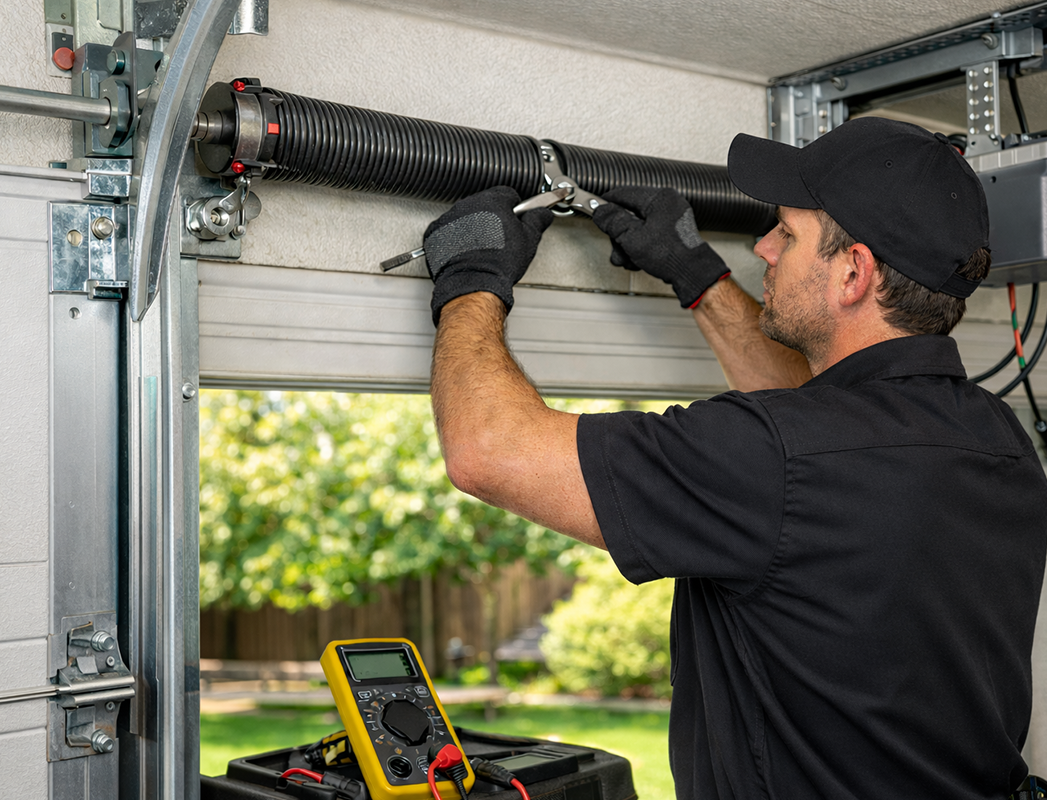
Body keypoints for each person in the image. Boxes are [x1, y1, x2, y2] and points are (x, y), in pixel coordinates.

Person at [421, 117, 1047, 799]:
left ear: (853, 272)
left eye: (787, 233)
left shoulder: (775, 455)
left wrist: (471, 279)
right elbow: (816, 427)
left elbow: (488, 451)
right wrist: (697, 275)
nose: (763, 247)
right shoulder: (1000, 440)